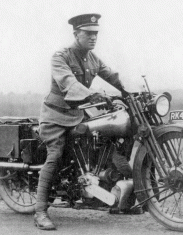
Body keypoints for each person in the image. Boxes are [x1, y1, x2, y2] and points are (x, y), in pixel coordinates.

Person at [34, 13, 129, 230]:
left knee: (105, 138)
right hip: (55, 117)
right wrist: (93, 94)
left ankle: (105, 191)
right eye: (88, 33)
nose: (93, 37)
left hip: (78, 114)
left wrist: (128, 92)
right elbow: (69, 84)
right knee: (55, 155)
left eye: (95, 33)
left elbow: (111, 75)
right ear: (76, 33)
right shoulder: (61, 56)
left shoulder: (92, 58)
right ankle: (40, 212)